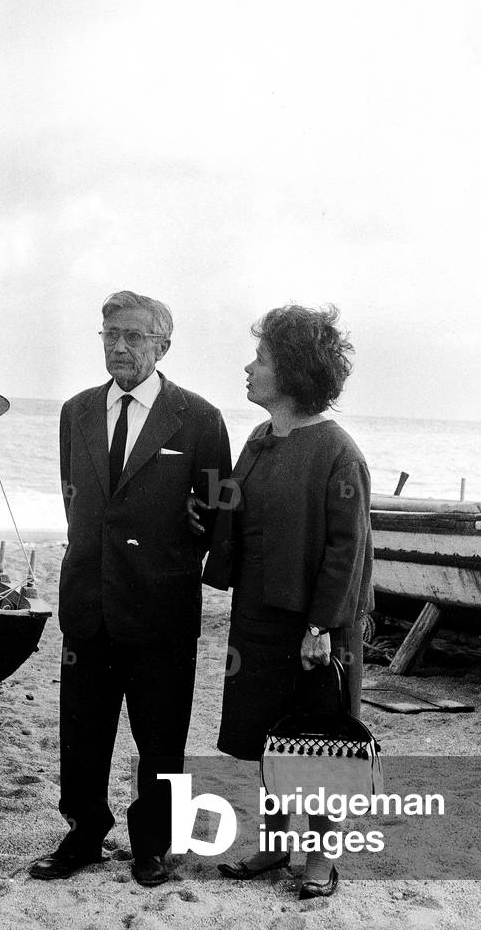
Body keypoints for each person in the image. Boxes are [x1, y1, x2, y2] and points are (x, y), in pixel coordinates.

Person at [30, 290, 232, 888]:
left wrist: (174, 551)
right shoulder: (77, 411)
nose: (119, 345)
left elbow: (219, 511)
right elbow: (77, 498)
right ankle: (84, 833)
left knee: (162, 737)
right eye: (110, 333)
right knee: (83, 728)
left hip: (162, 608)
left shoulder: (199, 418)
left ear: (162, 345)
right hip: (88, 601)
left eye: (135, 336)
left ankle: (153, 843)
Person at [190, 303, 373, 900]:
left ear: (291, 371)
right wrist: (204, 523)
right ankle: (273, 847)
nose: (249, 367)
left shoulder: (338, 453)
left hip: (313, 626)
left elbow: (348, 550)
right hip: (259, 614)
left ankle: (319, 864)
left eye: (261, 358)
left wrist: (321, 627)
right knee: (271, 736)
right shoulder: (261, 437)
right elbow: (241, 513)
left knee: (317, 742)